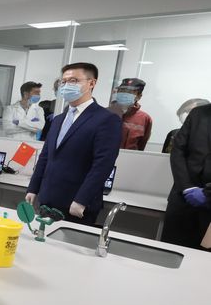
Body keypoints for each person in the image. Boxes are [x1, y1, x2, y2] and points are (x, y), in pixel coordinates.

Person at [26, 63, 121, 225]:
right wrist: (33, 188)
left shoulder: (106, 119)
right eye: (63, 82)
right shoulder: (58, 120)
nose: (66, 86)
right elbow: (46, 156)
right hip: (47, 199)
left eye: (73, 81)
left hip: (76, 205)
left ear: (91, 83)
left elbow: (103, 164)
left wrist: (82, 200)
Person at [161, 103, 211, 249]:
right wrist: (187, 187)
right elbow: (178, 151)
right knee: (170, 251)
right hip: (183, 198)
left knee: (203, 258)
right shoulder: (198, 113)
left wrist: (208, 194)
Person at [109, 78, 153, 151]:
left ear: (139, 96)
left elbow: (141, 146)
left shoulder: (145, 118)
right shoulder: (104, 113)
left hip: (129, 157)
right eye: (122, 90)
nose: (124, 94)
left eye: (130, 91)